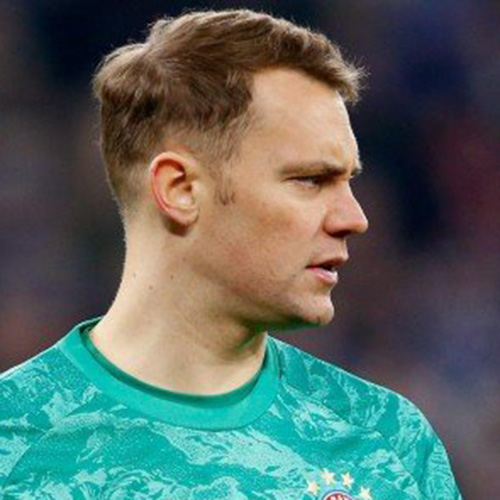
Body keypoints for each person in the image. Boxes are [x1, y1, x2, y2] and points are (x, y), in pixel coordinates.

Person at [0, 9, 462, 500]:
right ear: (180, 189)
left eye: (348, 181)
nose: (355, 218)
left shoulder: (388, 439)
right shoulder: (15, 441)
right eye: (310, 180)